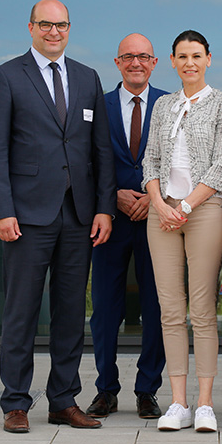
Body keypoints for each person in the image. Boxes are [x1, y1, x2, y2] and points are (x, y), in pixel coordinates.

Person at [0, 0, 116, 433]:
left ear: (69, 29)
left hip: (78, 216)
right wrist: (2, 210)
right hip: (25, 216)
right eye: (45, 24)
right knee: (21, 312)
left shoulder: (86, 77)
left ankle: (63, 400)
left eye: (61, 25)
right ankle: (15, 403)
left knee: (70, 311)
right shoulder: (6, 77)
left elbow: (100, 151)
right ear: (31, 27)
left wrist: (102, 208)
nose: (53, 32)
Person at [142, 30, 222, 433]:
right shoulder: (163, 104)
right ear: (172, 60)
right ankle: (177, 402)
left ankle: (204, 404)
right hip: (161, 214)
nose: (189, 63)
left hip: (203, 211)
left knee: (201, 311)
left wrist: (184, 206)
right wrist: (159, 204)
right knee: (169, 311)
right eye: (182, 56)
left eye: (196, 55)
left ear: (209, 59)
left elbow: (221, 164)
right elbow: (150, 160)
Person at [86, 34, 168, 421]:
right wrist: (112, 195)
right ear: (117, 63)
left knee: (157, 306)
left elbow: (182, 159)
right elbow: (84, 160)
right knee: (104, 308)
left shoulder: (170, 105)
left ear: (154, 63)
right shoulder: (96, 106)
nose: (136, 63)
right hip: (109, 219)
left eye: (143, 57)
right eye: (128, 57)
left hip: (158, 218)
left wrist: (154, 196)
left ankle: (148, 389)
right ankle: (106, 389)